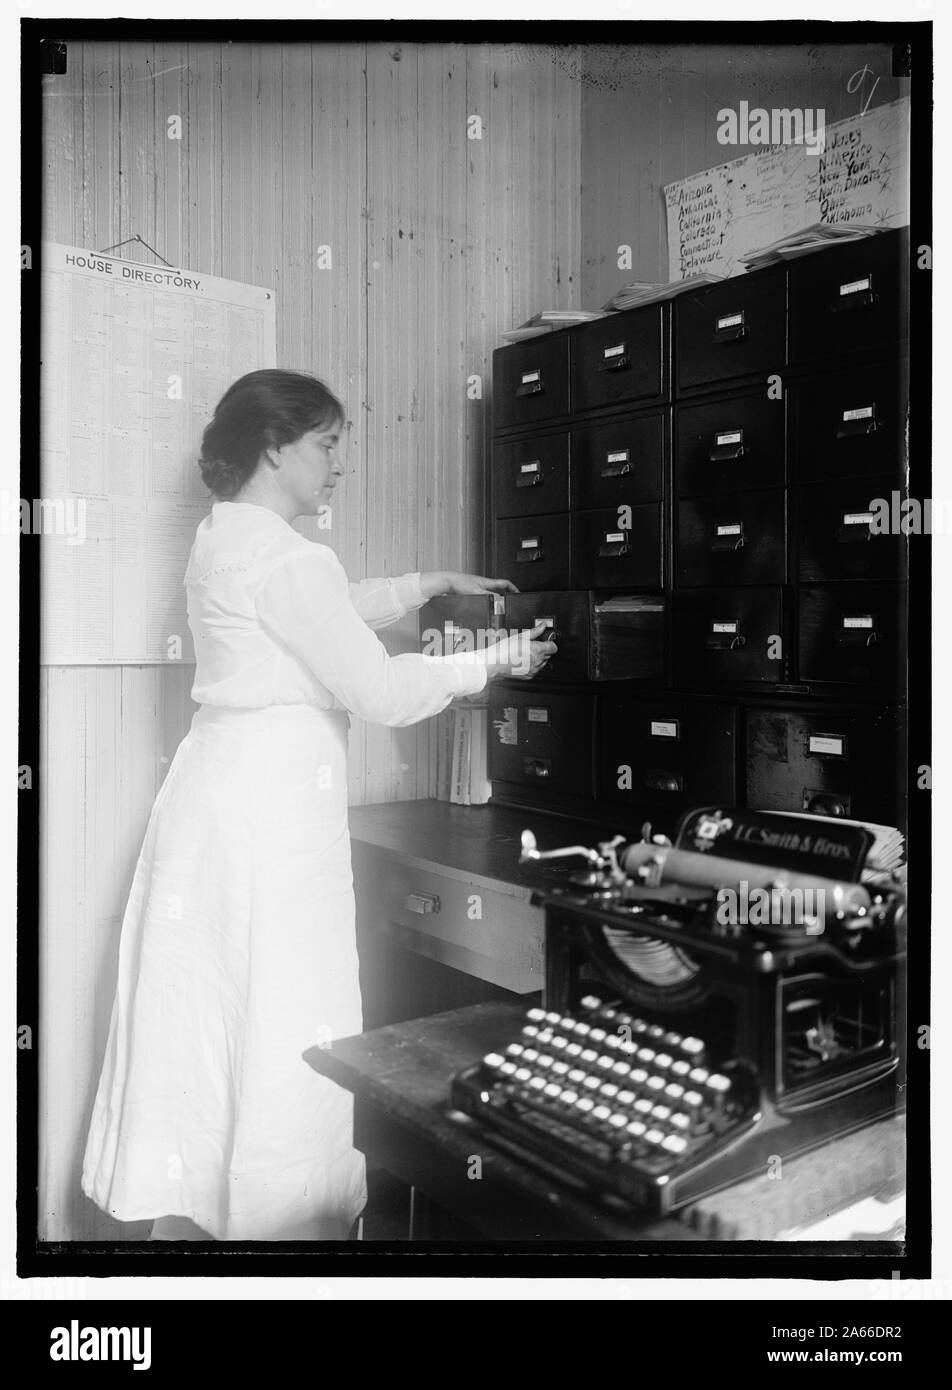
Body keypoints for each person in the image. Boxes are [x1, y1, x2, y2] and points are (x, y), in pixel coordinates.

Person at [81, 369, 555, 1241]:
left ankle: (203, 1227)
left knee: (214, 1014)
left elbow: (309, 616)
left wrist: (416, 584)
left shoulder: (223, 538)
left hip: (212, 807)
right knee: (286, 1013)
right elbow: (376, 689)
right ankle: (280, 1233)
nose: (339, 465)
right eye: (326, 444)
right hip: (272, 818)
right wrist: (495, 661)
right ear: (273, 446)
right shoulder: (291, 559)